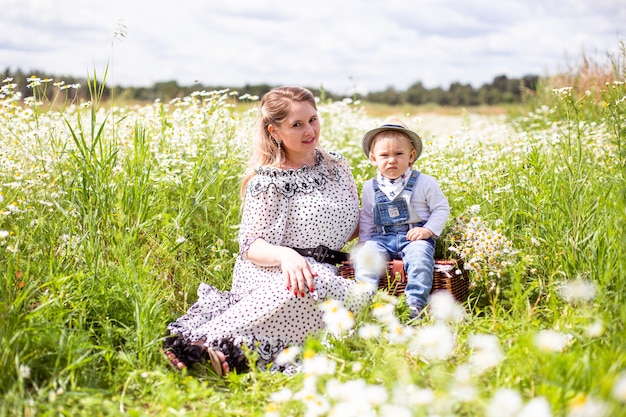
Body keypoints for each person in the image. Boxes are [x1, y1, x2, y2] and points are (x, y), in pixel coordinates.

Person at [163, 86, 369, 375]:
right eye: (296, 125)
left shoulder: (338, 166)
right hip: (272, 271)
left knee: (349, 294)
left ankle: (231, 353)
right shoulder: (269, 181)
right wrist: (287, 256)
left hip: (326, 271)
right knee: (312, 282)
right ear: (274, 131)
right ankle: (199, 345)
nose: (309, 130)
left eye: (313, 119)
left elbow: (349, 226)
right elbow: (250, 246)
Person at [354, 117, 450, 320]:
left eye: (399, 154)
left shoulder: (424, 182)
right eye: (384, 155)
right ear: (373, 158)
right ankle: (365, 302)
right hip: (382, 237)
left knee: (420, 259)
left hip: (414, 236)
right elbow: (368, 217)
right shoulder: (371, 186)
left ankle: (414, 305)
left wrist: (428, 231)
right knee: (366, 259)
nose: (392, 160)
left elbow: (441, 208)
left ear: (411, 156)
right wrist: (363, 241)